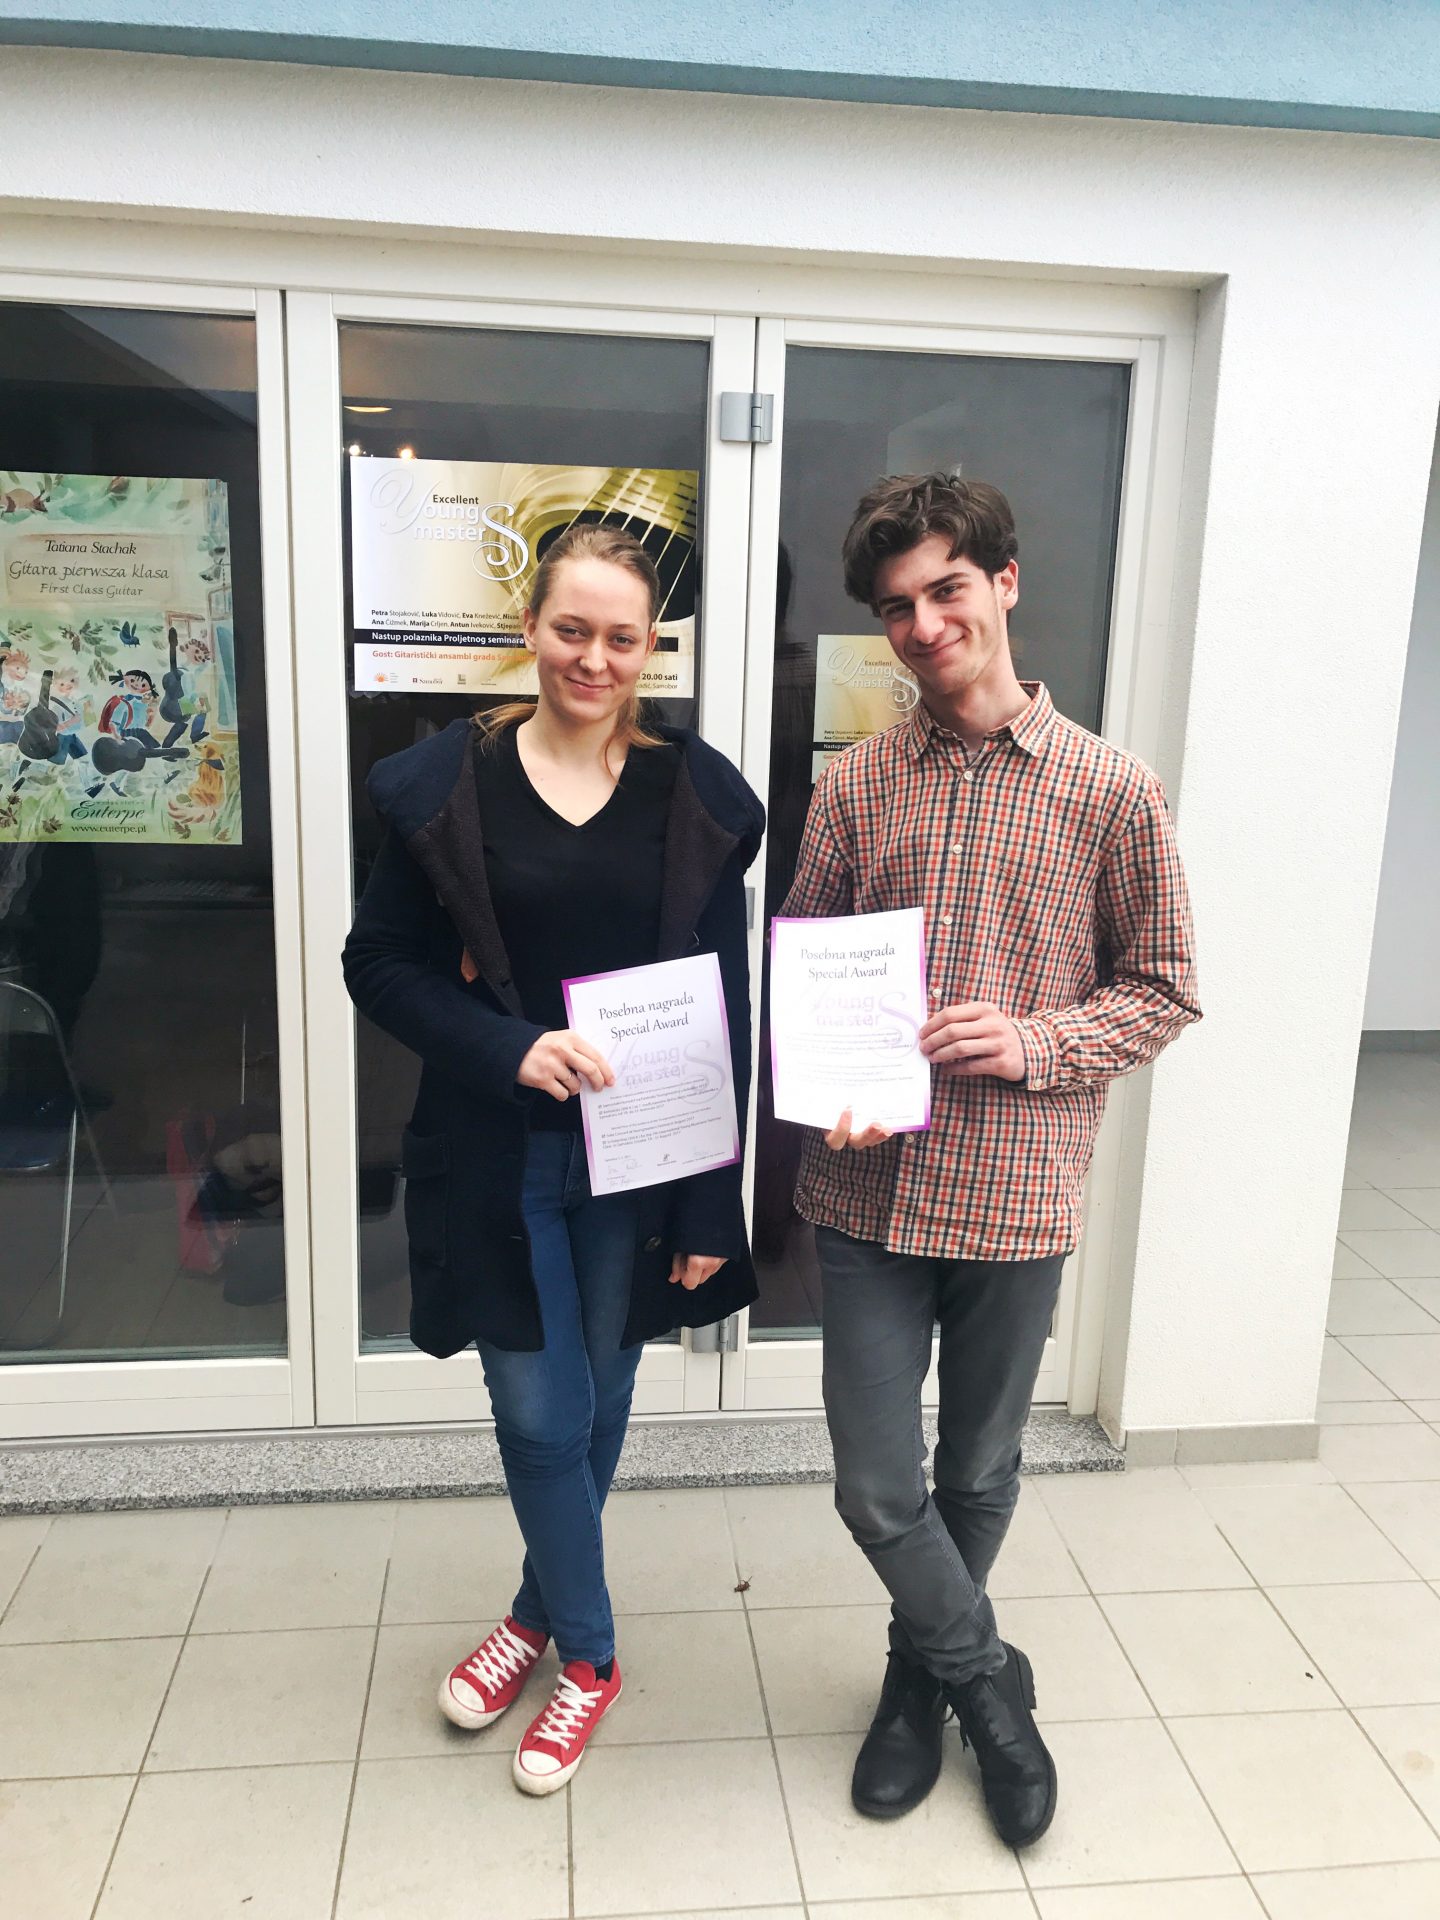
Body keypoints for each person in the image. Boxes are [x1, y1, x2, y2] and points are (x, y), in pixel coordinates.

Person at [779, 473, 1200, 1848]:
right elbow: (811, 961)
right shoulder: (853, 784)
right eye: (896, 605)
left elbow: (1165, 990)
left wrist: (1031, 1041)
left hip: (1019, 1190)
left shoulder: (1112, 790)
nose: (923, 624)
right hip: (867, 1190)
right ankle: (986, 1686)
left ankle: (915, 1681)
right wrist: (826, 1077)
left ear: (1004, 583)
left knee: (975, 1471)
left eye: (946, 589)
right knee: (874, 1485)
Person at [342, 523, 764, 1795]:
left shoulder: (692, 800)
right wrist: (508, 1047)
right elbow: (379, 963)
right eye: (571, 629)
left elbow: (724, 1008)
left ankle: (532, 1615)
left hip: (641, 1155)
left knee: (605, 1398)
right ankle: (591, 1653)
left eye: (621, 638)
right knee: (538, 1410)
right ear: (529, 627)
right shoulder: (446, 790)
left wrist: (714, 1204)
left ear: (651, 650)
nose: (594, 658)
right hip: (499, 1150)